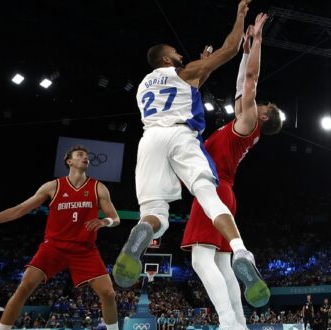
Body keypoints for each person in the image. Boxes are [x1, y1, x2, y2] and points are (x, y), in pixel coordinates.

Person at [113, 0, 267, 308]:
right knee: (209, 197)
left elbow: (187, 86)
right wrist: (239, 18)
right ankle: (241, 251)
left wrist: (200, 67)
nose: (180, 55)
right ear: (167, 57)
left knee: (156, 215)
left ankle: (142, 232)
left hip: (150, 140)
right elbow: (230, 49)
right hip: (181, 136)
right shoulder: (182, 72)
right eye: (176, 52)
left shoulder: (143, 86)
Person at [179, 13, 282, 327]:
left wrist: (259, 42)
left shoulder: (250, 123)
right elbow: (242, 83)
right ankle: (239, 323)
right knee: (224, 268)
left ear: (263, 117)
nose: (258, 103)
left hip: (214, 191)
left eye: (263, 106)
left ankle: (226, 321)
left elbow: (250, 81)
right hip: (226, 194)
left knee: (200, 259)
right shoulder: (243, 124)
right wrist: (247, 50)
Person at [0, 146, 121, 330]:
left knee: (108, 293)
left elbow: (116, 218)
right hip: (53, 247)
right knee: (24, 287)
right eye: (80, 155)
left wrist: (105, 222)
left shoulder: (98, 187)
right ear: (69, 161)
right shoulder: (53, 186)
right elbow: (19, 209)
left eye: (87, 155)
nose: (86, 157)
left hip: (84, 249)